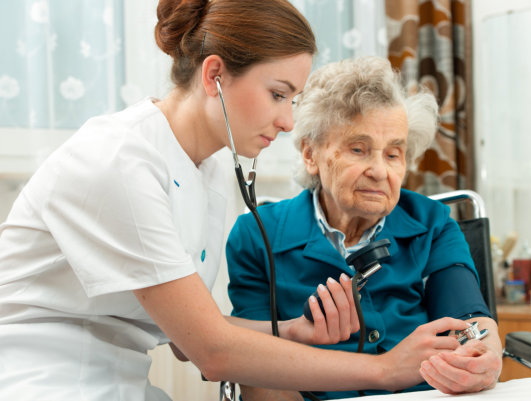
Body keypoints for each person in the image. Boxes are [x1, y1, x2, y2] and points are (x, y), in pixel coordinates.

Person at [0, 2, 477, 400]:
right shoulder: (122, 161)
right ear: (214, 77)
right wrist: (387, 371)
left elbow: (190, 337)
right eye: (277, 94)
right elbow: (212, 352)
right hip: (46, 377)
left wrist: (292, 332)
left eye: (294, 99)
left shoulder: (204, 167)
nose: (289, 121)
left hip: (119, 378)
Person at [227, 56, 503, 400]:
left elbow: (471, 322)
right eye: (358, 149)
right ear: (311, 154)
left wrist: (485, 356)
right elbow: (252, 357)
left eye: (393, 154)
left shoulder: (433, 223)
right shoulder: (257, 235)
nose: (378, 170)